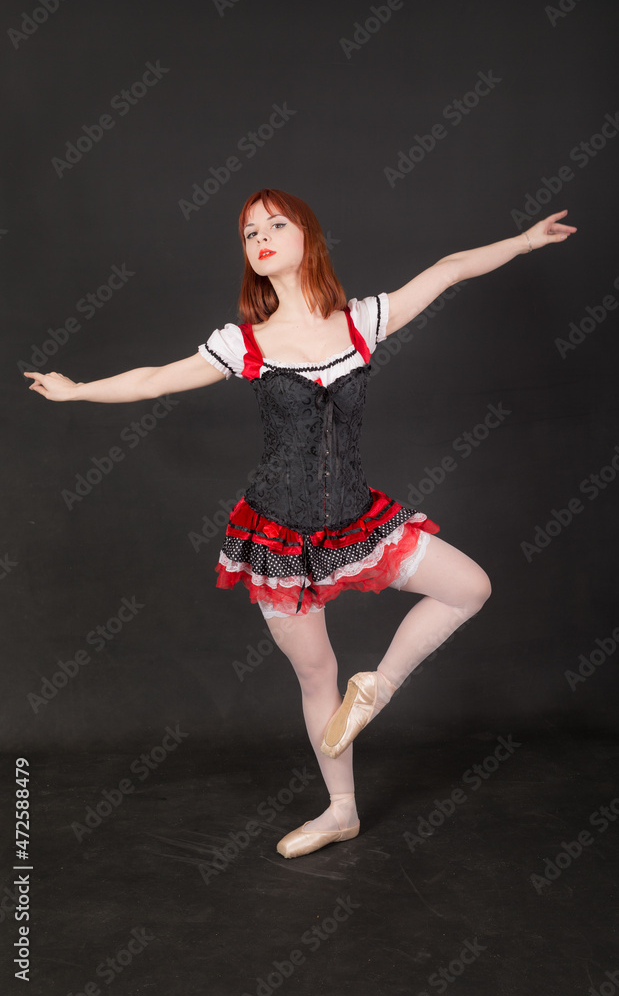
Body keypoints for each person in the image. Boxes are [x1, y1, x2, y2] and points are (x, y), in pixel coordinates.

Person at [25, 188, 577, 859]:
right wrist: (78, 390)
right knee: (315, 674)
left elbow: (449, 267)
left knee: (469, 586)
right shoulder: (244, 344)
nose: (259, 235)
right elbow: (155, 380)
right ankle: (339, 810)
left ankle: (377, 687)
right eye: (248, 230)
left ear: (307, 237)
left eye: (275, 223)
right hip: (278, 537)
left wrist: (521, 242)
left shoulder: (361, 323)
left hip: (355, 521)